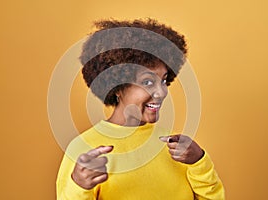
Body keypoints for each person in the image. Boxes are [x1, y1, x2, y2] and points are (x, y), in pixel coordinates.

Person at [56, 18, 225, 199]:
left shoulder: (175, 149)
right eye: (147, 82)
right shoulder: (84, 149)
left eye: (164, 80)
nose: (161, 92)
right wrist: (79, 186)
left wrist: (199, 162)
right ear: (117, 86)